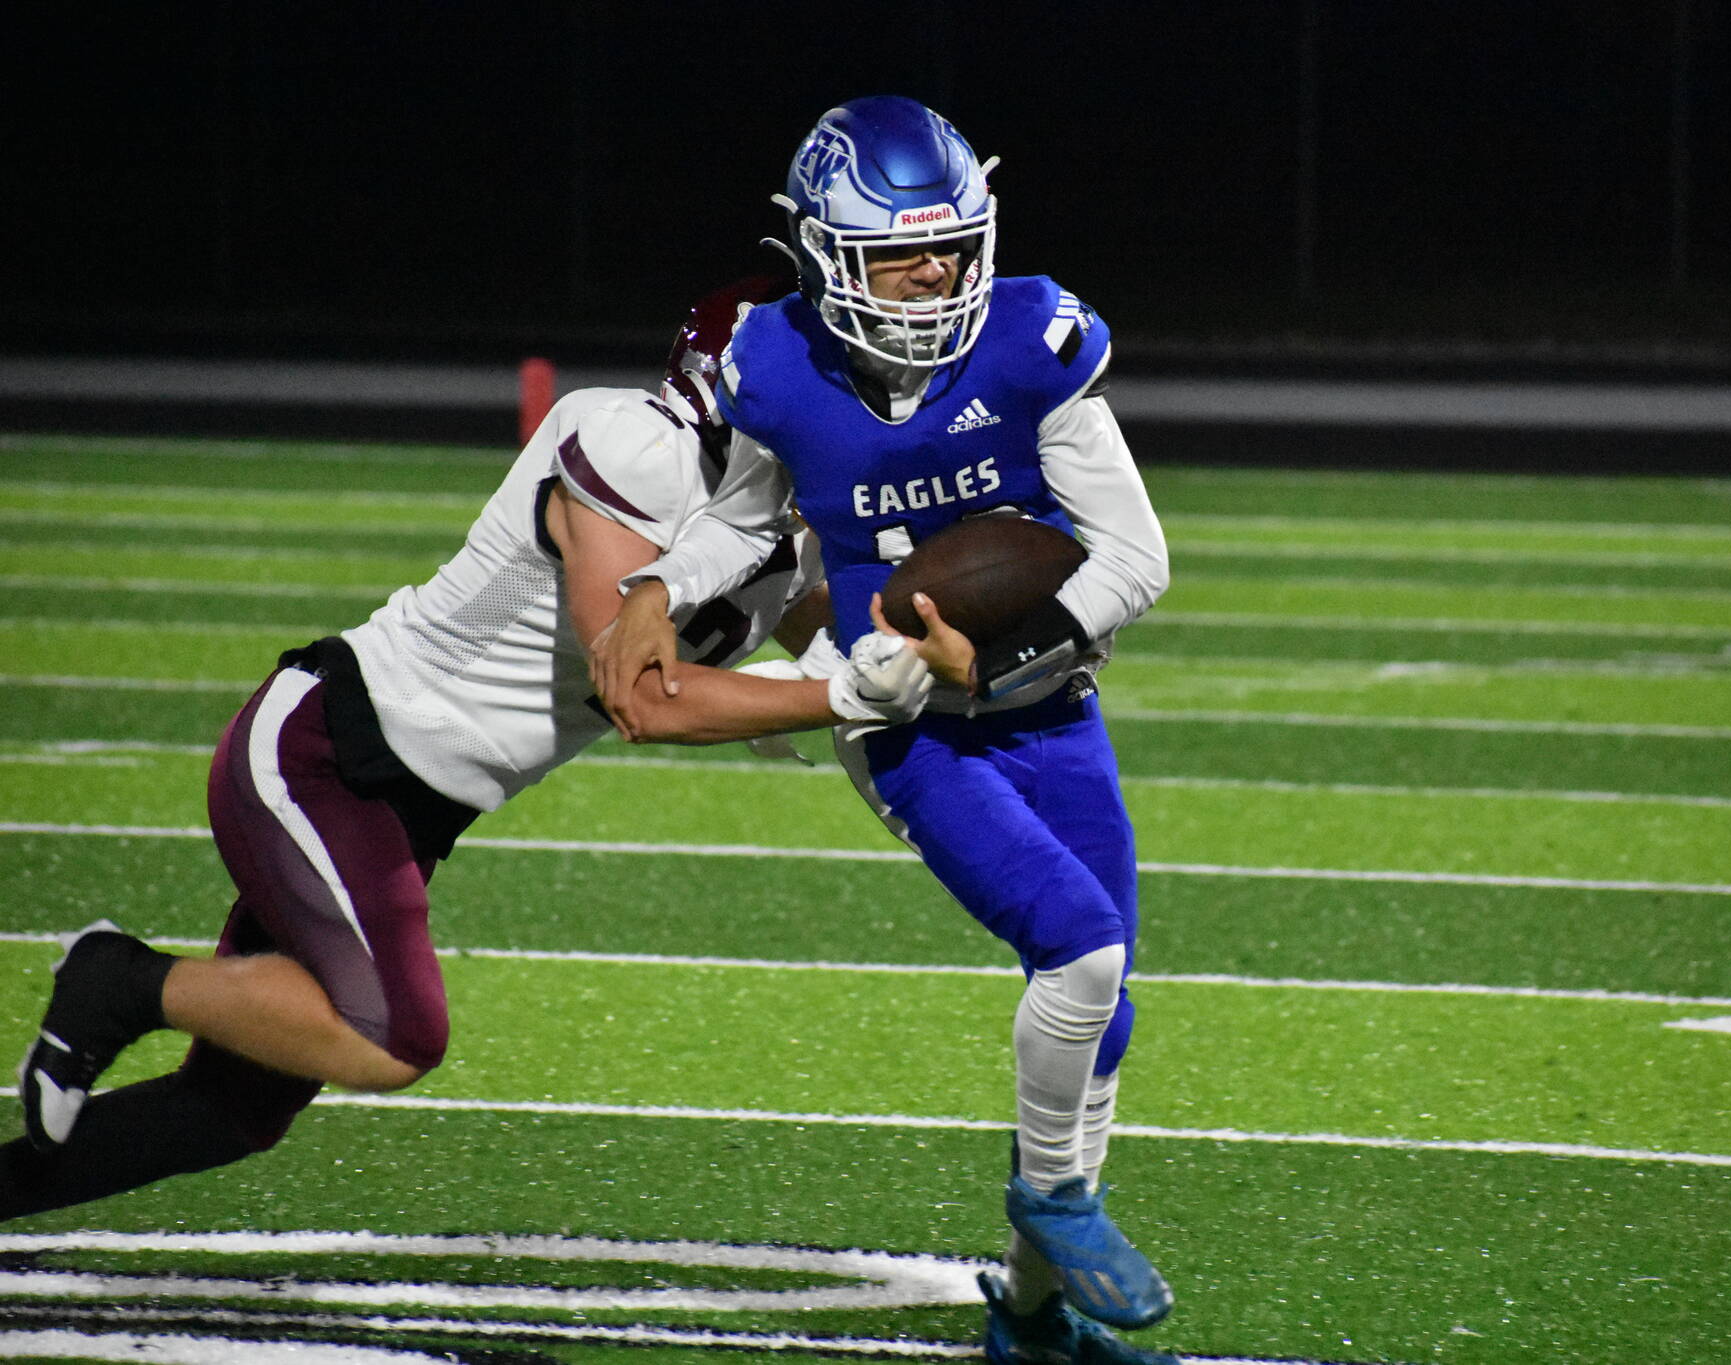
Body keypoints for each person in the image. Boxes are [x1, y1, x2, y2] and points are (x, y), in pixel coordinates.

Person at [4, 286, 948, 1219]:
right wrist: (835, 692)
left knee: (231, 1109)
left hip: (408, 808)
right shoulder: (634, 449)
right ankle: (119, 980)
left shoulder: (771, 523)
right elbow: (642, 695)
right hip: (331, 751)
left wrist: (962, 648)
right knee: (396, 1034)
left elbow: (850, 639)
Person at [590, 97, 1176, 1365]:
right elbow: (746, 526)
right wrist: (654, 587)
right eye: (899, 251)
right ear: (821, 254)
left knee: (1103, 998)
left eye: (951, 247)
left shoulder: (1030, 338)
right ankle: (1055, 1205)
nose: (934, 273)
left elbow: (1134, 555)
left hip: (1045, 698)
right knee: (1076, 950)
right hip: (900, 714)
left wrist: (1007, 653)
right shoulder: (774, 363)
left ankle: (1024, 1316)